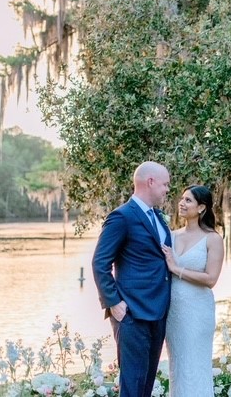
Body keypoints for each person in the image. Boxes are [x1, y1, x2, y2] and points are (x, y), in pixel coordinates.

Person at [92, 161, 172, 397]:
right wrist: (114, 302)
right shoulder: (122, 217)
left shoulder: (158, 216)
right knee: (133, 386)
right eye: (165, 184)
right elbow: (100, 263)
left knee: (146, 384)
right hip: (132, 314)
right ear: (150, 182)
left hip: (158, 311)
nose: (167, 190)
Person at [161, 185, 224, 397]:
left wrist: (176, 269)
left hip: (198, 312)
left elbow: (211, 279)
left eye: (188, 200)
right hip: (174, 312)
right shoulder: (171, 236)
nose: (181, 203)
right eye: (182, 199)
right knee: (178, 368)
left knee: (195, 366)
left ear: (201, 207)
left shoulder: (213, 239)